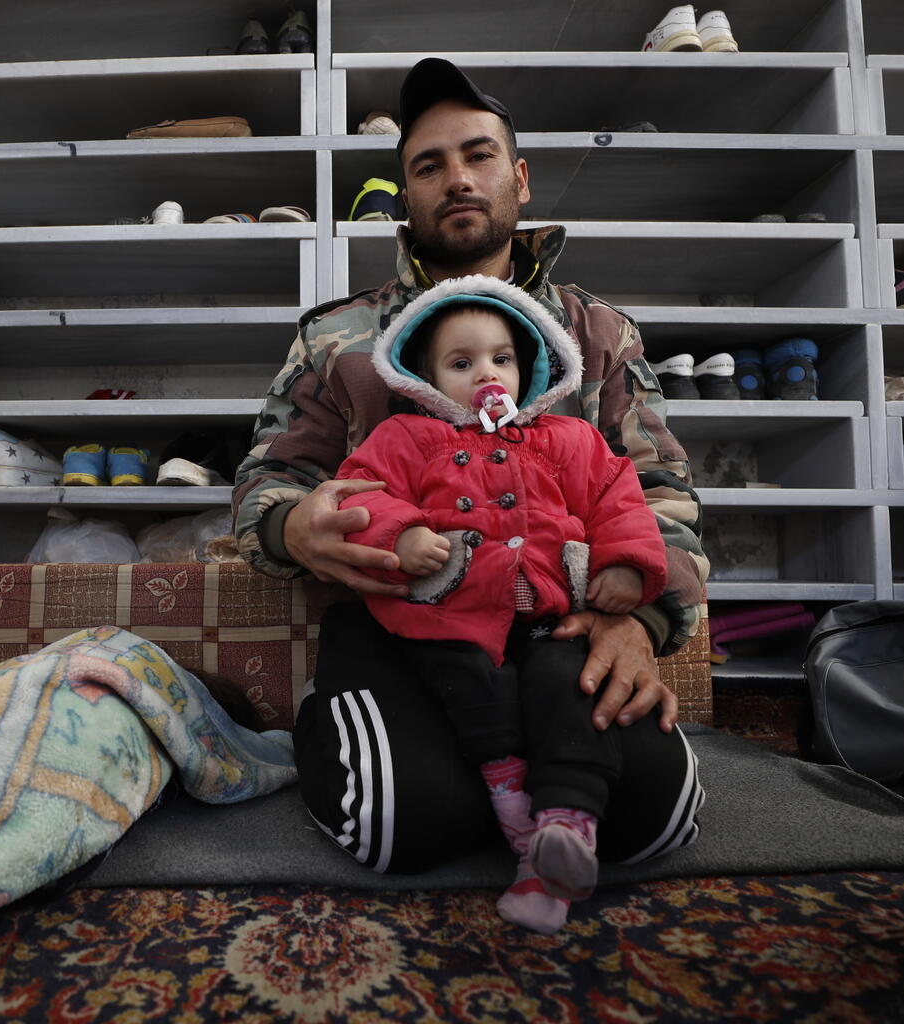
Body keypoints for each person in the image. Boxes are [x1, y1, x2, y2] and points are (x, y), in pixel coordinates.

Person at [232, 58, 707, 896]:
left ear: (519, 179)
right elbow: (266, 480)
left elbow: (659, 492)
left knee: (651, 819)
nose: (456, 178)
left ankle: (535, 803)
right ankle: (357, 729)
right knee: (395, 822)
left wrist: (646, 623)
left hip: (565, 624)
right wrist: (292, 526)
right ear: (404, 197)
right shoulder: (336, 337)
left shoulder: (598, 333)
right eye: (427, 165)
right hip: (406, 630)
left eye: (478, 155)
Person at [332, 275, 673, 931]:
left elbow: (618, 500)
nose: (485, 373)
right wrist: (401, 533)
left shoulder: (568, 438)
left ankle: (567, 823)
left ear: (530, 366)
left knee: (571, 689)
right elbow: (360, 492)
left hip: (554, 619)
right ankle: (517, 814)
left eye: (501, 358)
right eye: (460, 364)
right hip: (453, 617)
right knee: (469, 688)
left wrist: (627, 569)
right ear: (425, 379)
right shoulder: (406, 437)